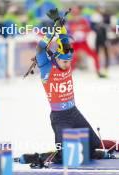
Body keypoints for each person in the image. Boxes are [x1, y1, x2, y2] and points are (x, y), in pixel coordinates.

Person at [35, 9, 101, 163]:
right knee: (65, 155)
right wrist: (53, 29)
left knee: (93, 147)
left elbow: (64, 38)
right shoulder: (46, 67)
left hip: (74, 112)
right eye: (64, 61)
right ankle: (43, 157)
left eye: (69, 61)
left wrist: (59, 23)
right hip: (60, 117)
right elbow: (40, 48)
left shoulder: (66, 59)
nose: (67, 65)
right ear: (56, 58)